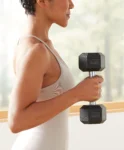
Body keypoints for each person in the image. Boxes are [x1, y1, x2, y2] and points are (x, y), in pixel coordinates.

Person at [8, 0, 104, 150]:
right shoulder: (37, 50)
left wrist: (84, 90)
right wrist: (77, 94)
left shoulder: (39, 45)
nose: (71, 5)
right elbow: (17, 121)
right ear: (42, 1)